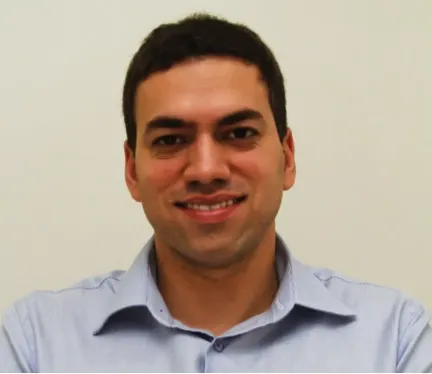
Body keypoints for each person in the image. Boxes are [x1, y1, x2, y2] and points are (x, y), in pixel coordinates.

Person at [1, 13, 431, 373]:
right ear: (132, 170)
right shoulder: (35, 343)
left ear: (288, 157)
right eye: (171, 140)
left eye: (239, 133)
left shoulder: (395, 341)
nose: (206, 170)